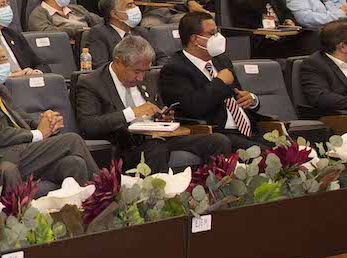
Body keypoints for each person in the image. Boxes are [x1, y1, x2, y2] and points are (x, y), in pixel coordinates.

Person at [0, 37, 98, 186]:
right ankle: (107, 191)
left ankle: (81, 208)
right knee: (72, 140)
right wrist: (38, 134)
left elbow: (23, 119)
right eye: (2, 60)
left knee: (74, 163)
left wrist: (47, 123)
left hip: (22, 150)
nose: (7, 65)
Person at [72, 34, 232, 172]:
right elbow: (88, 126)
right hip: (127, 146)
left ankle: (215, 194)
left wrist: (163, 117)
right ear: (118, 61)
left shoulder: (149, 77)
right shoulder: (92, 83)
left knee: (218, 141)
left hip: (161, 137)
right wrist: (132, 113)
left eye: (145, 71)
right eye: (136, 71)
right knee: (156, 149)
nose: (141, 77)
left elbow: (157, 108)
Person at [157, 11, 271, 150]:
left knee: (289, 149)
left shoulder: (221, 60)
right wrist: (219, 83)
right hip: (217, 132)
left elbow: (237, 95)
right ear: (194, 39)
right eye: (212, 33)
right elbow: (192, 107)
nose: (218, 37)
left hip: (249, 130)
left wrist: (252, 100)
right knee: (271, 156)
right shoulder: (174, 69)